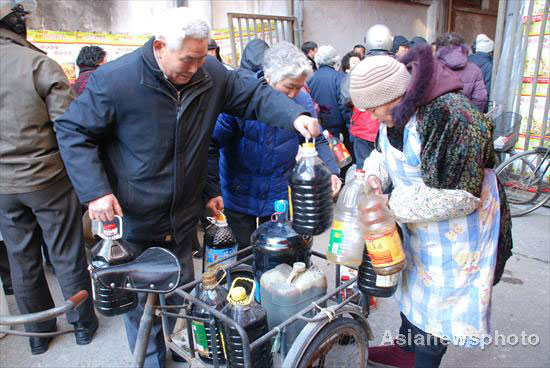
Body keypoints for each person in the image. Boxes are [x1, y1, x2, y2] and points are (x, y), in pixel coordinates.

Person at [54, 8, 321, 368]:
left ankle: (177, 352)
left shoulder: (210, 75)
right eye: (188, 59)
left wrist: (295, 115)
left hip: (182, 218)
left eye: (202, 57)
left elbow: (254, 96)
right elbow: (73, 131)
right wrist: (95, 191)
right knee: (141, 309)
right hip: (135, 218)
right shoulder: (115, 81)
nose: (196, 68)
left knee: (180, 295)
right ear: (160, 46)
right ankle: (151, 361)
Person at [349, 45, 512, 368]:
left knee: (438, 308)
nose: (372, 117)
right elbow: (384, 152)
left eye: (374, 109)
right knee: (413, 289)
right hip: (420, 219)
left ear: (395, 95)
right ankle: (405, 350)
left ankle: (423, 361)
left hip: (459, 230)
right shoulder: (396, 109)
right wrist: (374, 175)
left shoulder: (453, 116)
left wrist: (391, 202)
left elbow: (460, 197)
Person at [0, 0, 98, 354]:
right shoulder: (36, 63)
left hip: (3, 187)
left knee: (20, 257)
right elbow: (70, 126)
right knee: (66, 254)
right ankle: (83, 326)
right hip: (47, 179)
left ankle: (38, 338)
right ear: (17, 26)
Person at [206, 41, 341, 253]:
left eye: (299, 87)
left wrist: (332, 171)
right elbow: (211, 144)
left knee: (276, 252)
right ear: (269, 78)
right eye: (289, 87)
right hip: (239, 192)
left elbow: (318, 138)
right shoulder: (241, 99)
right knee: (244, 255)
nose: (294, 94)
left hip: (277, 193)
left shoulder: (302, 101)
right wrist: (212, 190)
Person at [435, 32, 487, 111]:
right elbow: (480, 98)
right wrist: (472, 116)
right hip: (463, 120)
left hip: (433, 119)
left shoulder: (430, 67)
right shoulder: (475, 70)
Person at [308, 45, 347, 146]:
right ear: (335, 60)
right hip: (337, 129)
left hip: (315, 127)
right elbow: (343, 105)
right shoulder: (340, 77)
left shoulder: (309, 78)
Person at [469, 33, 494, 112]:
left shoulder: (466, 61)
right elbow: (486, 92)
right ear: (490, 51)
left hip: (461, 107)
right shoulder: (490, 66)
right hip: (478, 110)